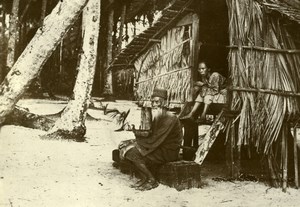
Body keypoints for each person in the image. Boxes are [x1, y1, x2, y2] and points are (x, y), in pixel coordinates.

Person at [118, 88, 183, 191]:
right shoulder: (160, 116)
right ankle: (145, 178)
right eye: (152, 102)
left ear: (164, 102)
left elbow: (156, 138)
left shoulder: (170, 118)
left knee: (132, 153)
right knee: (127, 147)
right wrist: (135, 133)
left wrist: (136, 145)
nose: (154, 104)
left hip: (168, 151)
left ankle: (151, 180)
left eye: (157, 102)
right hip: (159, 146)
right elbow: (151, 134)